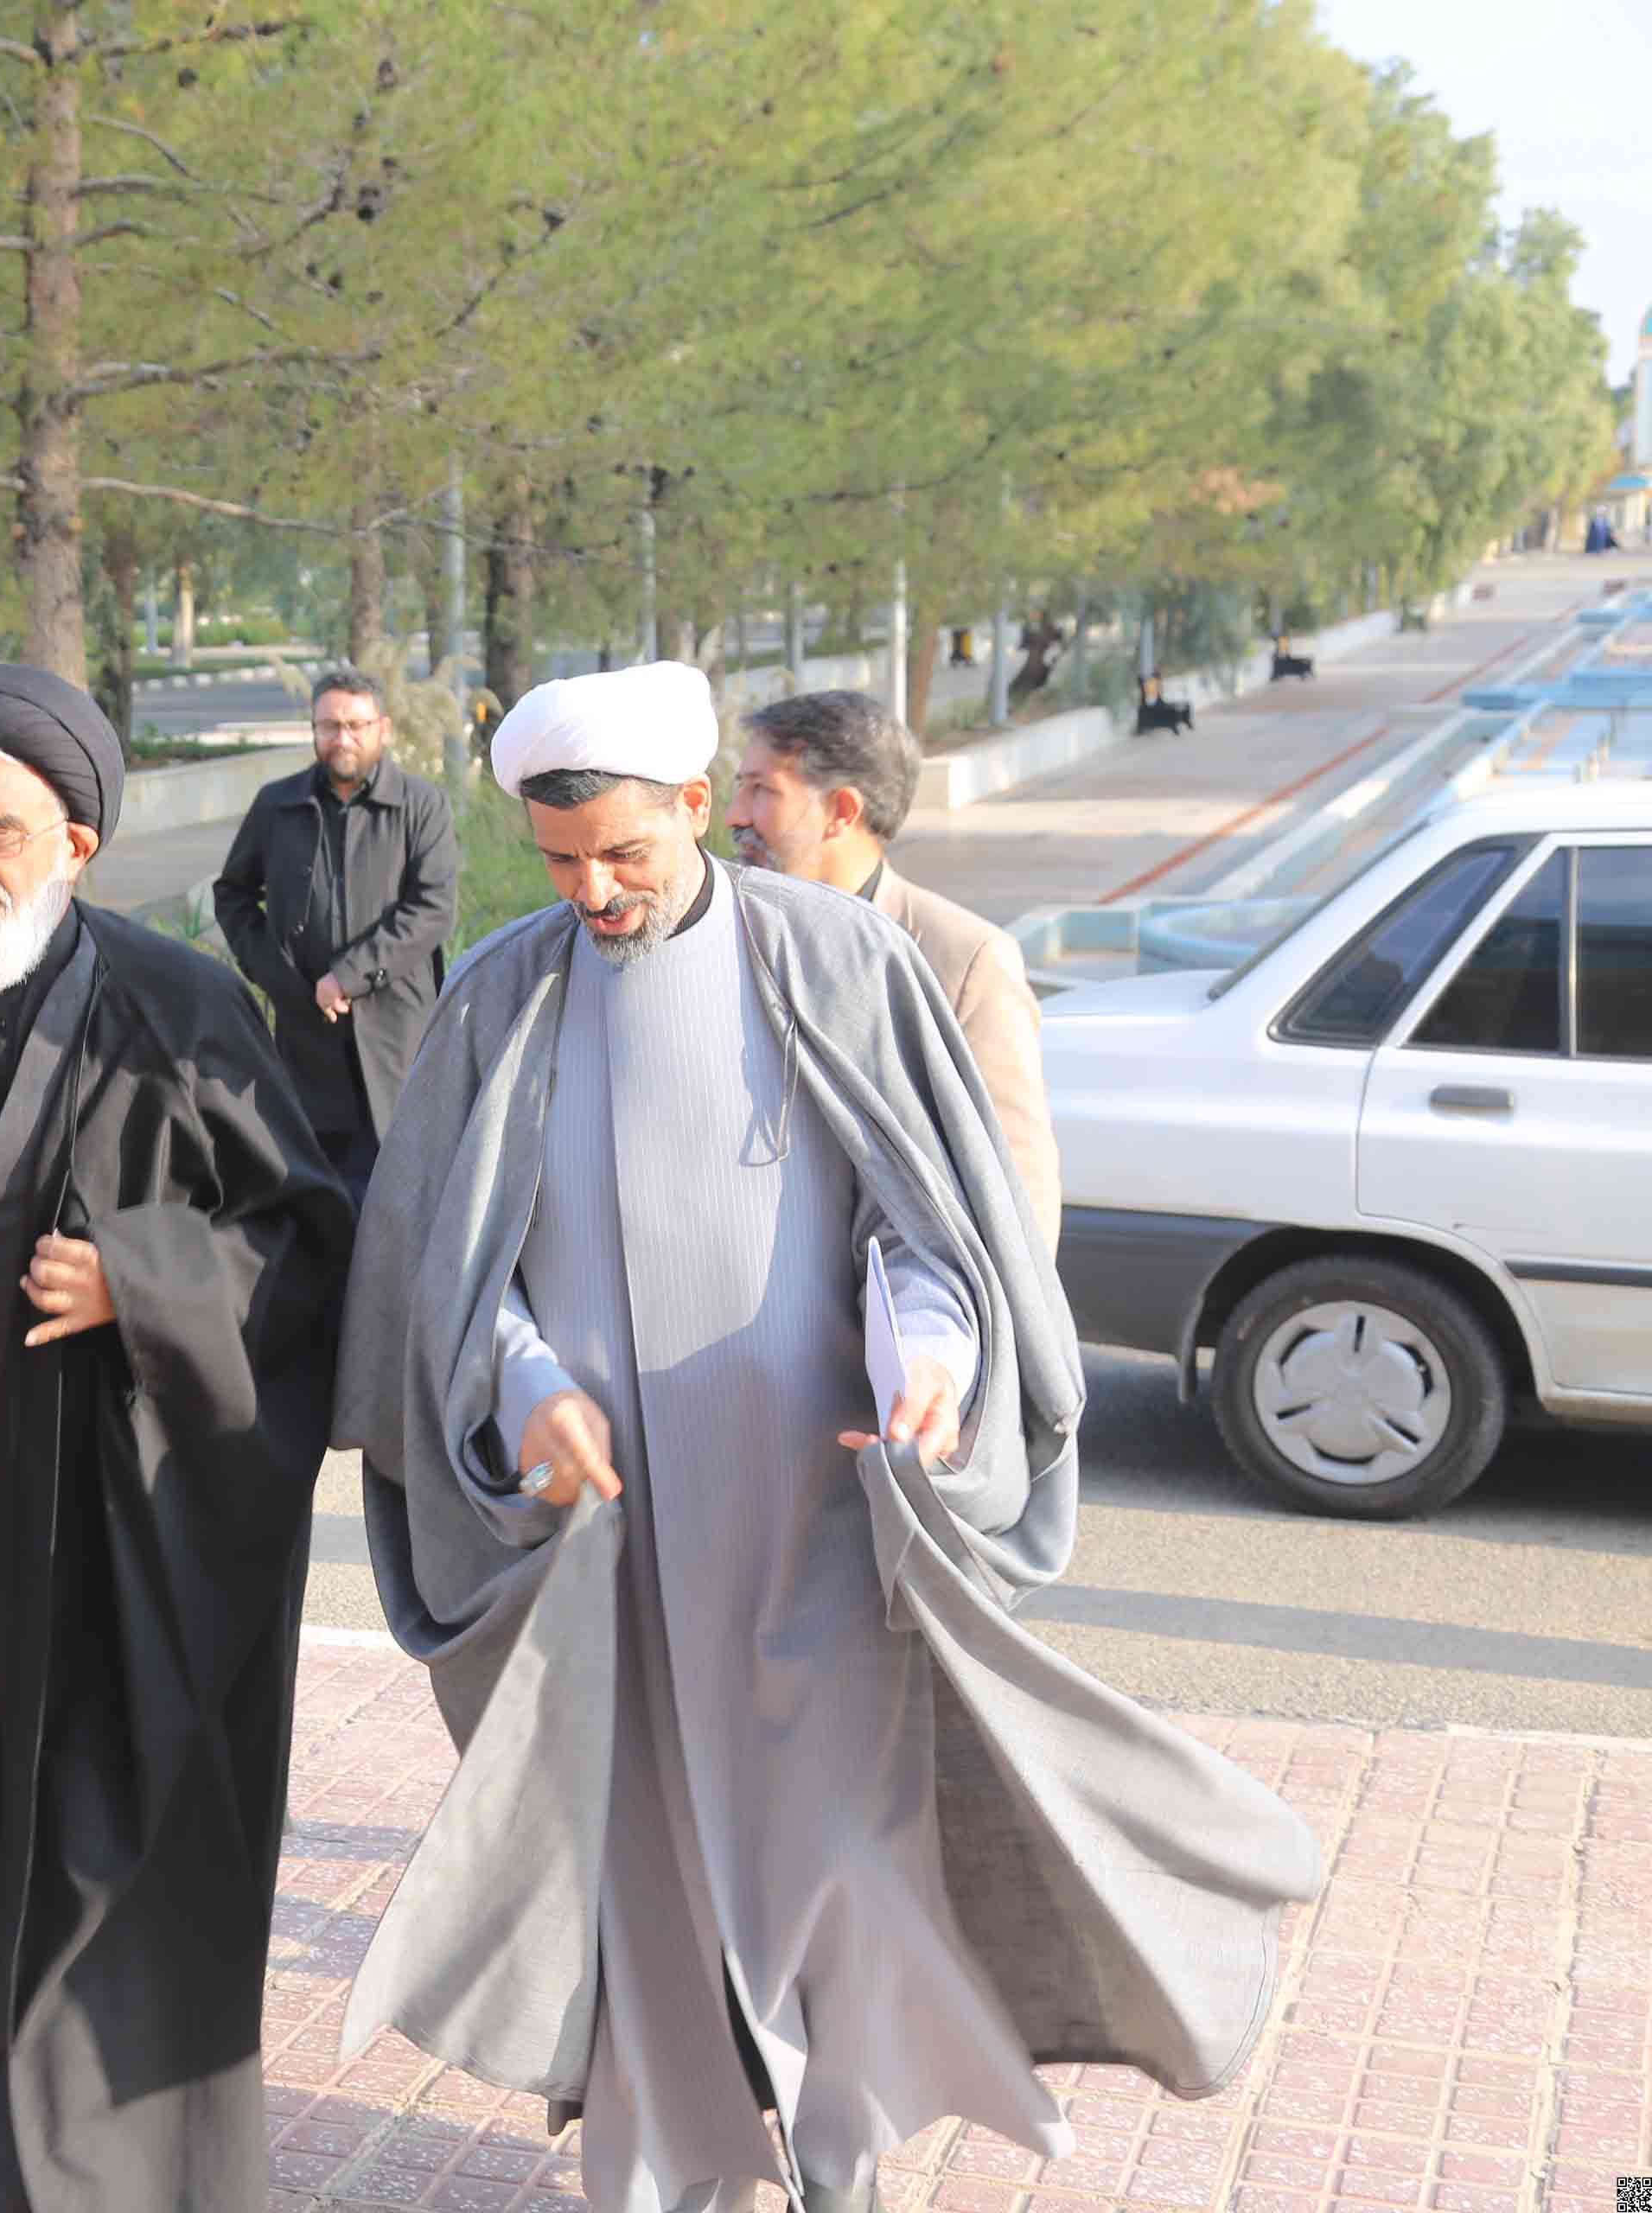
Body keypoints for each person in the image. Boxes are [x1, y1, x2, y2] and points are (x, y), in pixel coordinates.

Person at [333, 664, 1317, 2213]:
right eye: (562, 861)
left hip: (817, 1537)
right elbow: (454, 1281)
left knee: (843, 1882)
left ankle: (843, 2171)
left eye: (625, 853)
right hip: (608, 1560)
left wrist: (933, 1362)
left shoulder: (842, 960)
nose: (594, 892)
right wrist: (524, 1392)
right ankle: (667, 2180)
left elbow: (929, 1232)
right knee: (645, 1893)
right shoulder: (500, 996)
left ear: (696, 806)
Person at [0, 665, 352, 2211]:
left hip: (127, 1511)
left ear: (78, 845)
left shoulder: (182, 1008)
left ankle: (63, 2163)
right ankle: (12, 2096)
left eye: (1, 833)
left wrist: (139, 1282)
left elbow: (307, 1245)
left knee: (113, 1825)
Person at [726, 688, 1059, 1253]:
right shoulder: (729, 933)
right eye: (741, 787)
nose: (736, 816)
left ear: (842, 812)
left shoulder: (964, 961)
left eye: (763, 790)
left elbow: (1018, 1194)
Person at [211, 669, 462, 1192]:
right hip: (306, 1041)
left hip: (395, 1038)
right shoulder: (277, 805)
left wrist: (347, 977)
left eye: (355, 725)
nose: (342, 739)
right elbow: (233, 895)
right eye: (329, 726)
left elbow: (434, 907)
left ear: (383, 728)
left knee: (400, 1191)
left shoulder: (420, 805)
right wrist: (278, 977)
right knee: (315, 1193)